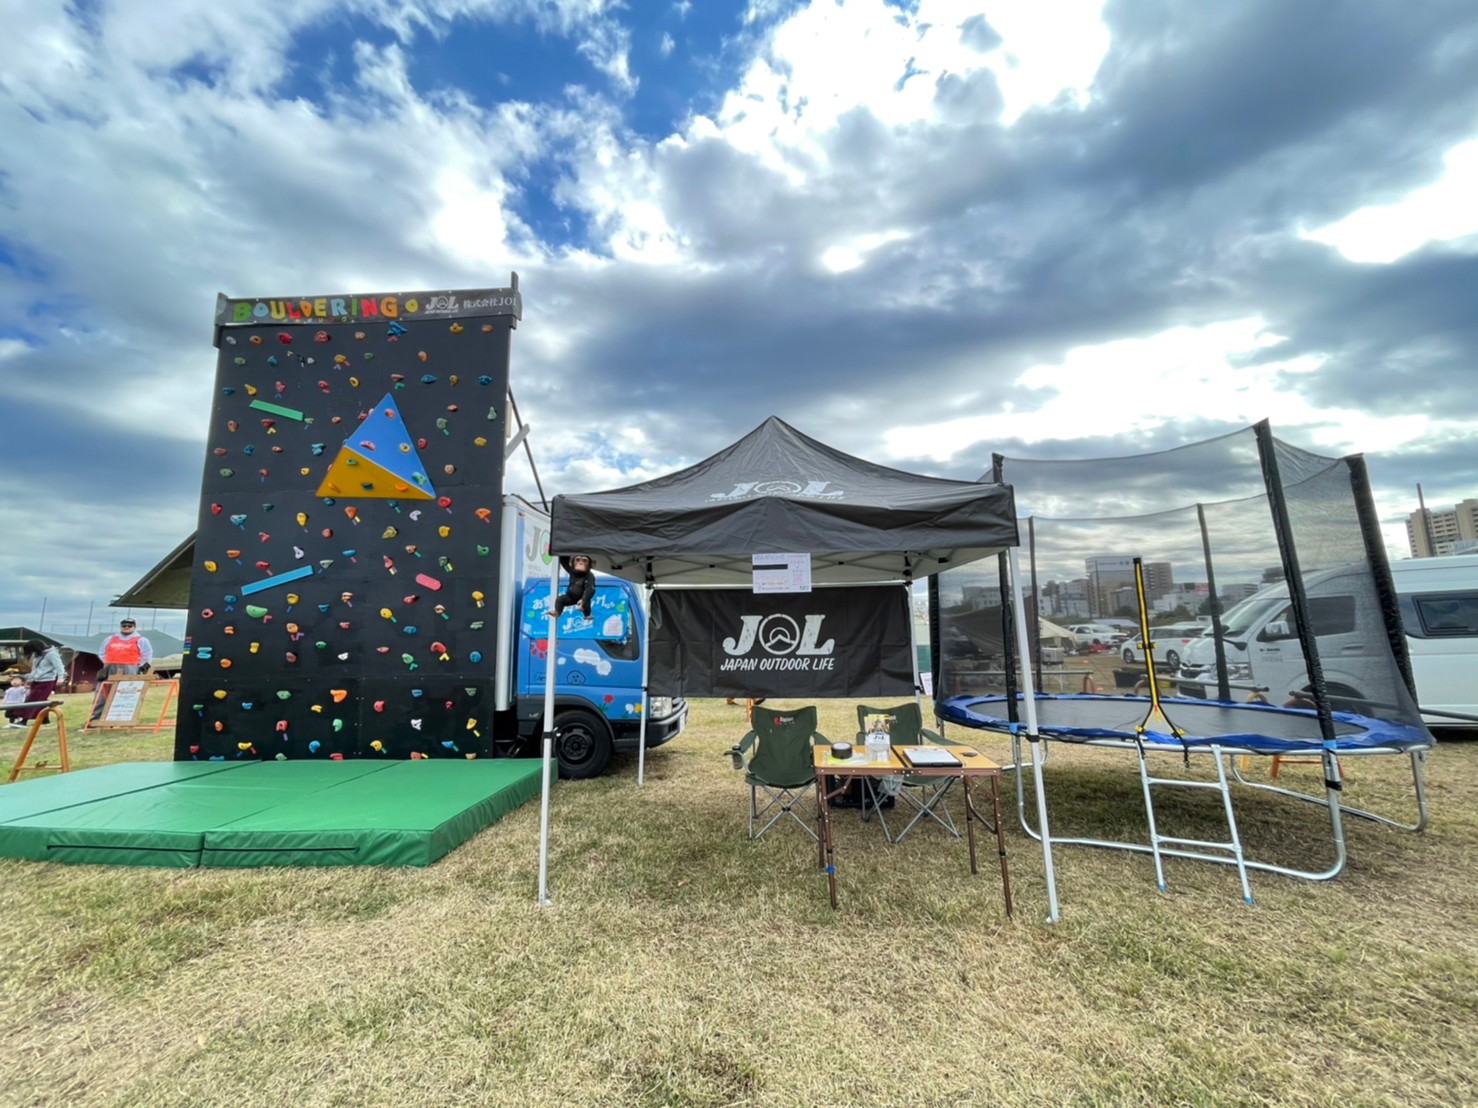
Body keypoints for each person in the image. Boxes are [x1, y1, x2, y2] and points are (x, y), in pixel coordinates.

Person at [90, 617, 153, 721]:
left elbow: (147, 655)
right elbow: (101, 652)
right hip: (109, 668)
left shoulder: (141, 640)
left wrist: (141, 665)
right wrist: (108, 662)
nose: (126, 628)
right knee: (102, 694)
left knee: (126, 693)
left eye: (129, 626)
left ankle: (123, 718)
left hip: (130, 668)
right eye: (124, 626)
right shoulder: (110, 639)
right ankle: (95, 719)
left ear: (134, 627)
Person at [16, 639, 64, 725]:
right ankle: (45, 719)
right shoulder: (37, 655)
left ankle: (24, 720)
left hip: (46, 681)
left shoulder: (52, 654)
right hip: (36, 681)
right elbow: (34, 669)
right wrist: (29, 680)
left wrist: (61, 677)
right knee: (39, 700)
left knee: (34, 701)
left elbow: (59, 666)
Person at [551, 554, 597, 618]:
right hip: (570, 597)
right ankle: (557, 612)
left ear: (590, 565)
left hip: (582, 597)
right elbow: (564, 560)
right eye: (578, 560)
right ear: (571, 563)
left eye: (584, 561)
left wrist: (583, 600)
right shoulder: (572, 571)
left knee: (586, 600)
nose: (580, 563)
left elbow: (590, 589)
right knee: (560, 599)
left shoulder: (589, 576)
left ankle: (587, 615)